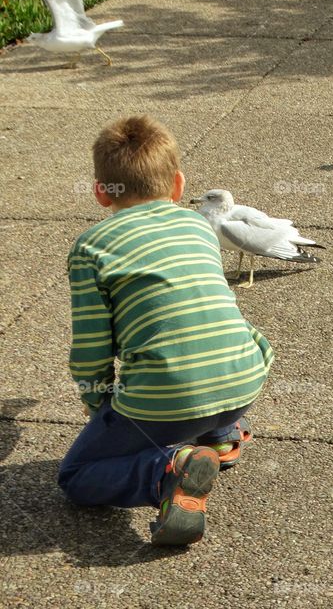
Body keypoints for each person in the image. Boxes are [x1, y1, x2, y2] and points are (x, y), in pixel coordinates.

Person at [58, 115, 273, 546]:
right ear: (177, 185)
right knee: (203, 342)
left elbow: (91, 349)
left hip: (167, 400)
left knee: (76, 478)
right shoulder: (198, 225)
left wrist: (97, 402)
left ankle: (166, 471)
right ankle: (223, 435)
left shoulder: (91, 247)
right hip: (246, 378)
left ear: (102, 193)